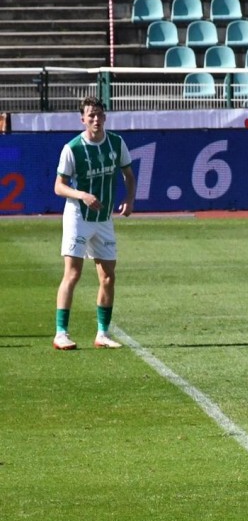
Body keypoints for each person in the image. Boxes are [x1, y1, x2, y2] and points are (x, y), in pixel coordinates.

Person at [53, 96, 136, 350]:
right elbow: (59, 186)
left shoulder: (116, 143)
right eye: (91, 115)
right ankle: (61, 333)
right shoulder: (72, 148)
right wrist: (82, 195)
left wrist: (129, 199)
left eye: (99, 114)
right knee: (73, 273)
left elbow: (128, 175)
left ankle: (102, 333)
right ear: (83, 119)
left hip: (104, 219)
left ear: (105, 117)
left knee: (108, 276)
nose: (96, 119)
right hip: (78, 217)